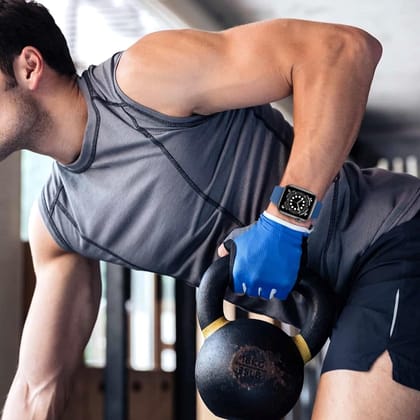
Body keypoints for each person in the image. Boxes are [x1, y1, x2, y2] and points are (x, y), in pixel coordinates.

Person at [1, 0, 420, 419]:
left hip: (391, 240)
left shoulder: (140, 80)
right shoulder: (60, 224)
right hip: (341, 313)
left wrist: (286, 221)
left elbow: (344, 51)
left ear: (30, 67)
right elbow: (37, 391)